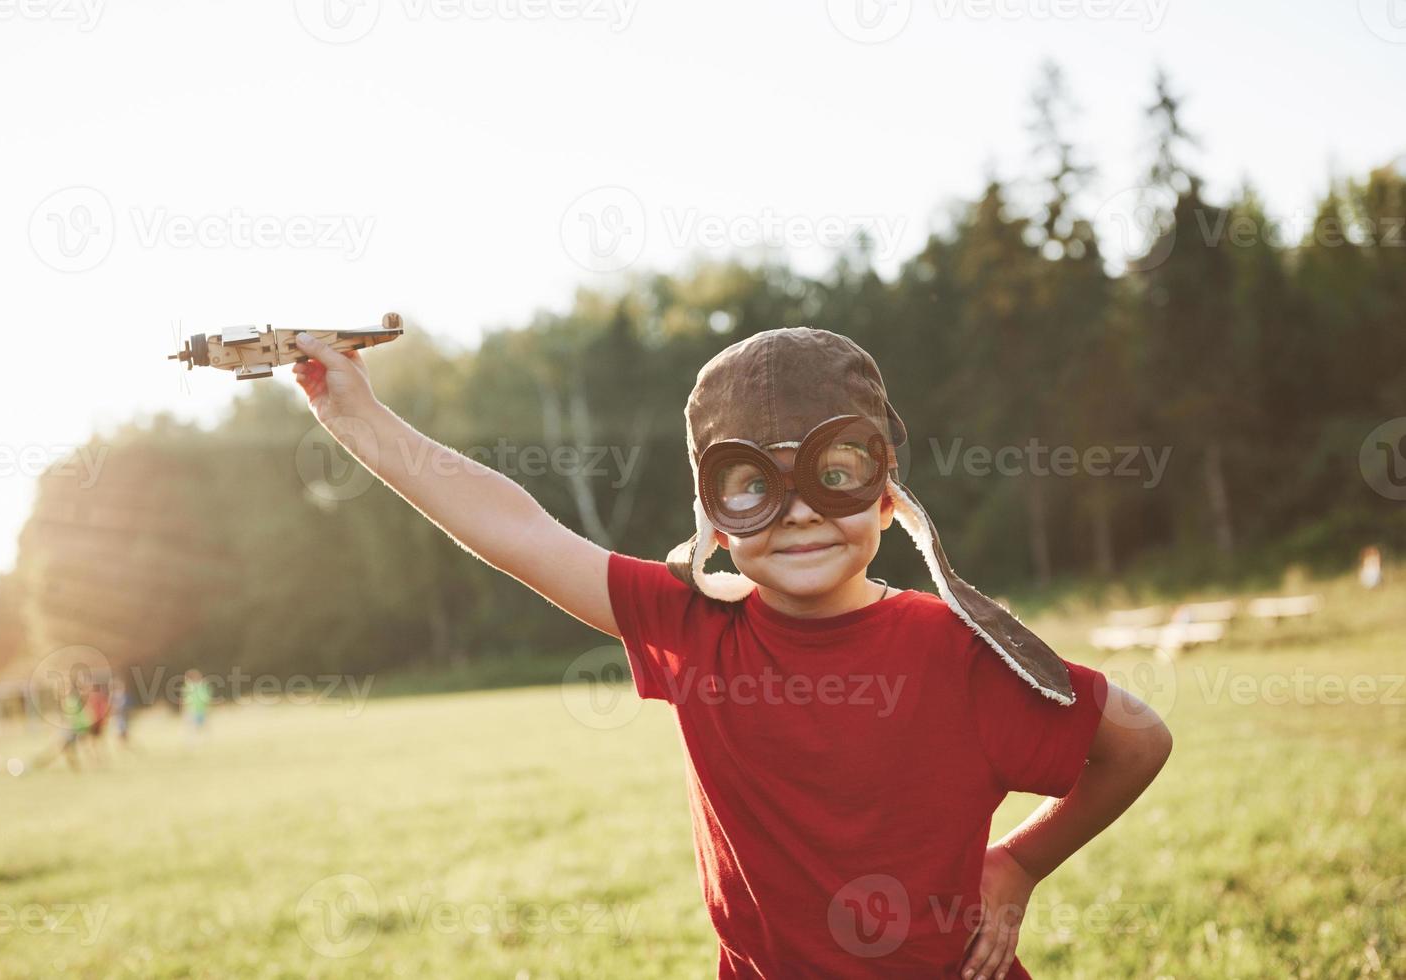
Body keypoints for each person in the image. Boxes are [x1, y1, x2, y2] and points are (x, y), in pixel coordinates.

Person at [293, 327, 1174, 979]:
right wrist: (356, 414)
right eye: (754, 482)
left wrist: (1017, 863)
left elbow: (1135, 740)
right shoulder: (690, 626)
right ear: (712, 515)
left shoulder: (957, 648)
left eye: (831, 475)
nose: (795, 512)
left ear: (884, 497)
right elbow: (515, 525)